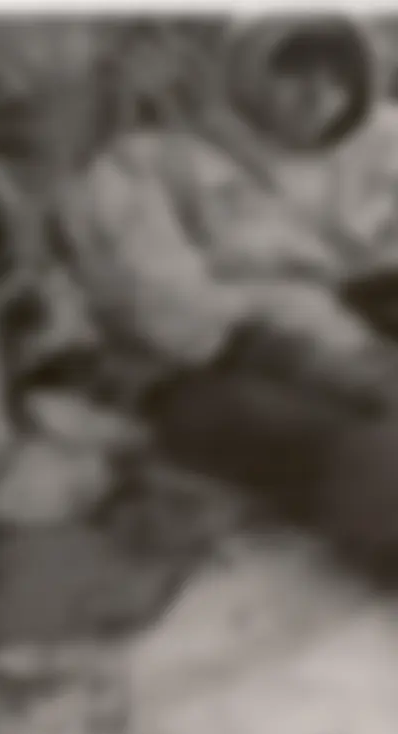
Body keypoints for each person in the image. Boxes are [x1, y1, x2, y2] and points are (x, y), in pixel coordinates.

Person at [62, 14, 398, 577]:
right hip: (212, 362)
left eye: (339, 83)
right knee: (354, 447)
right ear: (247, 72)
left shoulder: (367, 154)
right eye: (296, 74)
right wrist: (275, 346)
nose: (319, 97)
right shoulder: (150, 162)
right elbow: (152, 294)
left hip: (348, 332)